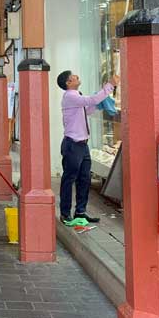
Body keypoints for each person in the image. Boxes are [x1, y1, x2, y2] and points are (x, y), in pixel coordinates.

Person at [57, 70, 120, 224]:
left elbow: (87, 109)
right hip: (73, 144)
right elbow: (91, 100)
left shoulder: (77, 96)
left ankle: (80, 211)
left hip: (82, 144)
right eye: (73, 76)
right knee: (69, 178)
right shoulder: (70, 95)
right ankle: (65, 213)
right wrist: (109, 86)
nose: (77, 76)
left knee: (84, 179)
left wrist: (100, 105)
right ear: (68, 83)